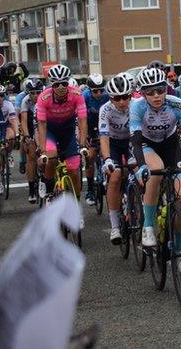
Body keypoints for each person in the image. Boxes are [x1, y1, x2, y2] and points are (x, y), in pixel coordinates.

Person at [129, 68, 181, 258]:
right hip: (147, 145)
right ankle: (148, 225)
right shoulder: (137, 107)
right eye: (150, 92)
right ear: (142, 93)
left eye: (160, 89)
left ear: (166, 88)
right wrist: (141, 166)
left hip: (172, 145)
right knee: (155, 171)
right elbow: (136, 141)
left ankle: (179, 246)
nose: (156, 96)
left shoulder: (178, 104)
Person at [36, 65, 88, 219]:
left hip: (68, 131)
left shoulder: (77, 94)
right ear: (51, 85)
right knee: (51, 157)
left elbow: (83, 120)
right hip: (51, 131)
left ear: (68, 83)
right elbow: (42, 125)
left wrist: (83, 144)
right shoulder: (43, 98)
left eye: (64, 83)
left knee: (74, 171)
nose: (60, 87)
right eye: (56, 84)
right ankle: (50, 190)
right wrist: (43, 150)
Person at [98, 76, 134, 244]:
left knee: (139, 172)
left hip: (131, 141)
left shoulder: (137, 106)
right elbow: (103, 137)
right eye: (116, 98)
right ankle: (114, 226)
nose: (121, 102)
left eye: (125, 97)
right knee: (115, 176)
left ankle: (135, 202)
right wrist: (107, 159)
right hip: (112, 143)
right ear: (110, 98)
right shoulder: (105, 110)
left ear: (131, 95)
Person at [82, 74, 109, 206]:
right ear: (89, 90)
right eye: (95, 91)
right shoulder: (85, 97)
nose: (99, 93)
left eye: (101, 90)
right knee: (90, 156)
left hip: (105, 126)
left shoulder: (107, 95)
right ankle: (90, 189)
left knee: (107, 154)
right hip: (90, 126)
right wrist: (86, 136)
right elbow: (81, 118)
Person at [19, 79, 44, 203]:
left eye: (38, 92)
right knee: (31, 156)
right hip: (30, 124)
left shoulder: (45, 98)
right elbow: (23, 121)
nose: (35, 96)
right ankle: (31, 189)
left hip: (43, 124)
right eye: (32, 93)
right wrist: (27, 136)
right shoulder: (25, 101)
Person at [0, 85, 18, 159]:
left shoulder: (8, 104)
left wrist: (17, 133)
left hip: (5, 125)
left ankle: (8, 153)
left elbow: (14, 119)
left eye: (1, 95)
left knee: (12, 137)